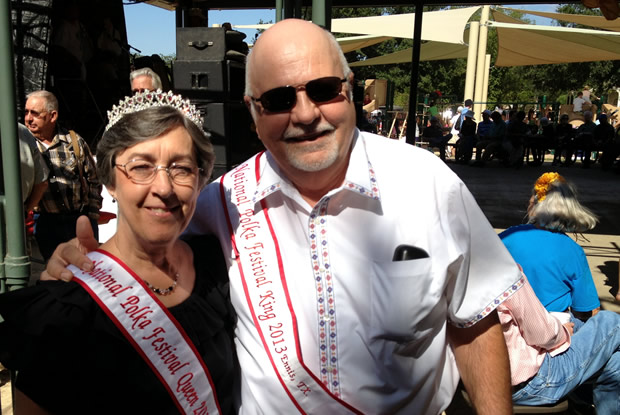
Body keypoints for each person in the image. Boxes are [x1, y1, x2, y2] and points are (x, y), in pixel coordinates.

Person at [46, 19, 522, 414]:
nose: (305, 113)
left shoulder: (428, 184)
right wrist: (76, 261)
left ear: (350, 91)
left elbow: (475, 319)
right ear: (253, 113)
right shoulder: (221, 202)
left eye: (324, 89)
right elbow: (140, 248)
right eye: (277, 100)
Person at [0, 91, 238, 414]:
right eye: (141, 167)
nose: (164, 188)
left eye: (181, 168)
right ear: (110, 182)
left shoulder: (215, 264)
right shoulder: (67, 309)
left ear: (200, 178)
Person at [499, 273, 620, 414]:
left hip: (484, 378)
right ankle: (583, 399)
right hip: (531, 382)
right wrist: (563, 331)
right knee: (610, 322)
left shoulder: (470, 275)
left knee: (613, 358)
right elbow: (545, 335)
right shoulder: (505, 274)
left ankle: (584, 402)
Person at [500, 173, 600, 321]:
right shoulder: (573, 250)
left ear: (534, 204)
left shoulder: (506, 237)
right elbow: (585, 308)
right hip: (551, 328)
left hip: (509, 322)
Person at [24, 90, 102, 261]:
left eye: (35, 113)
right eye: (26, 112)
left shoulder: (74, 142)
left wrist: (91, 217)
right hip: (46, 223)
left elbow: (94, 181)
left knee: (86, 270)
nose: (28, 118)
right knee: (57, 274)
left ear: (52, 116)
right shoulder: (24, 146)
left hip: (78, 220)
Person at [17, 123, 49, 214]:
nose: (29, 118)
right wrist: (26, 211)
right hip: (17, 213)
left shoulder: (23, 131)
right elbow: (42, 182)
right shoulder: (22, 131)